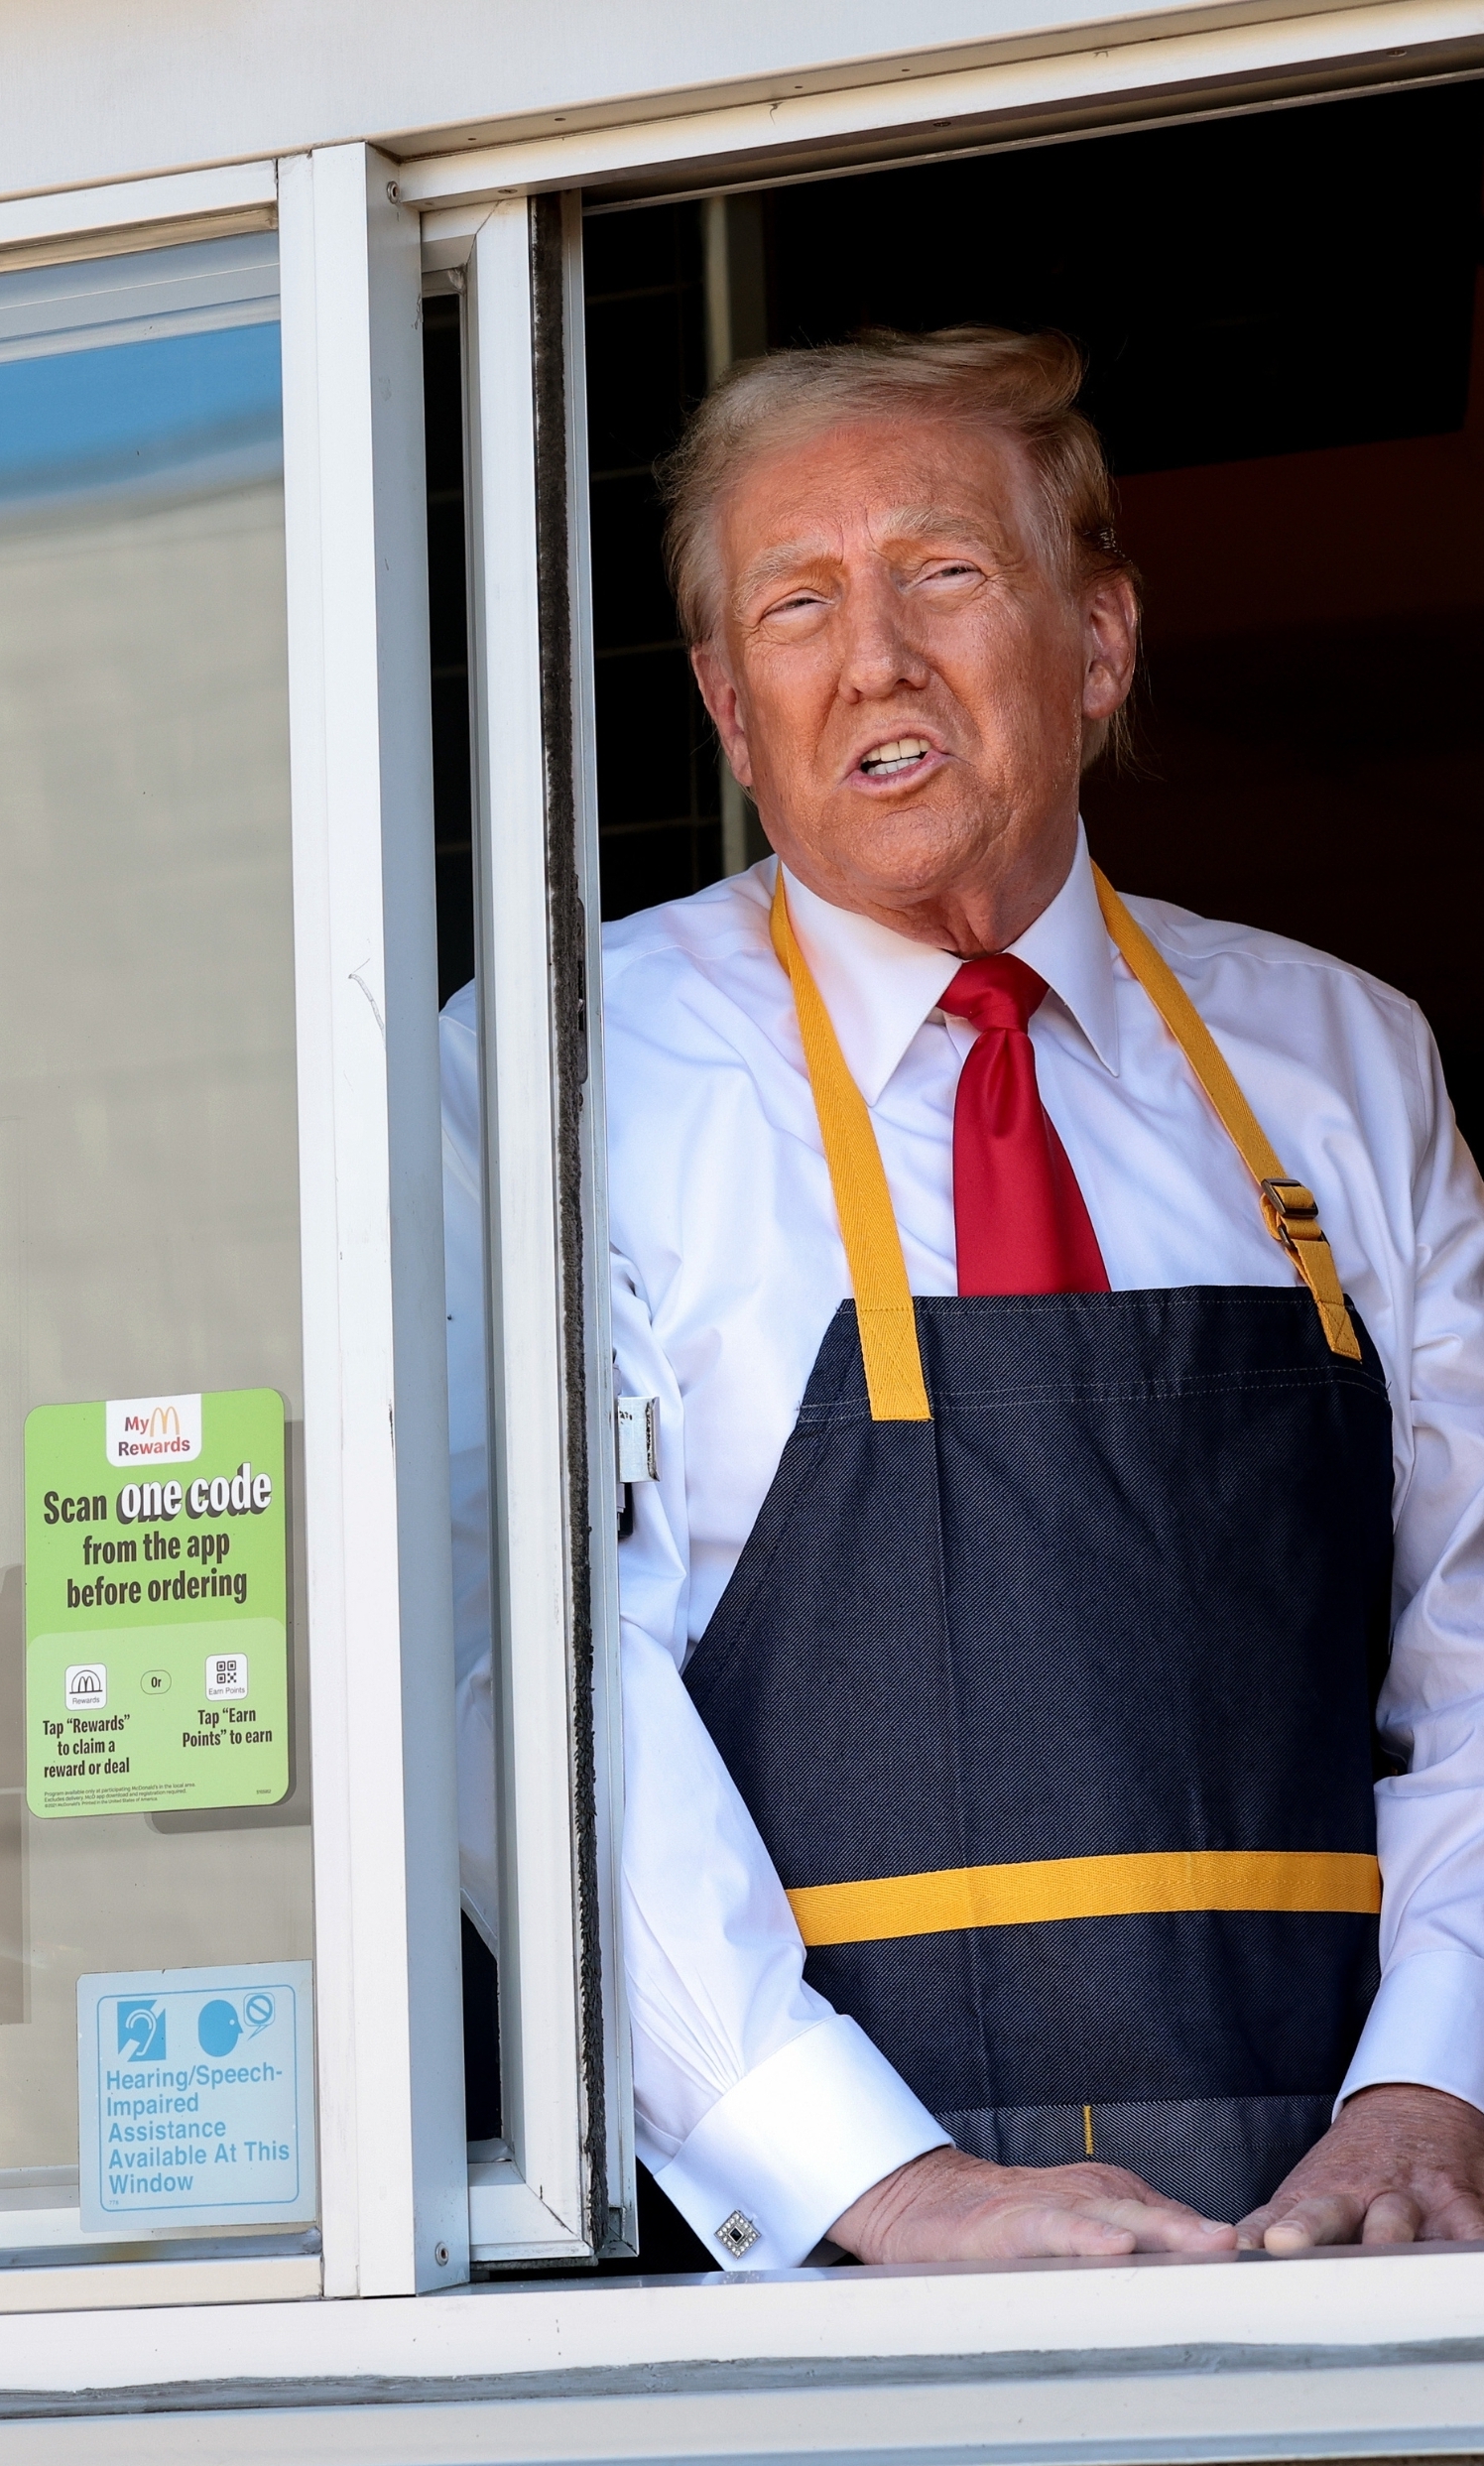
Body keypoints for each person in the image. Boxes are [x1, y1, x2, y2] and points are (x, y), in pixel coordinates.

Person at [448, 325, 1484, 2276]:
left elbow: (1474, 1631)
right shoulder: (552, 1077)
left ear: (1096, 646)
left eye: (942, 572)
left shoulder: (1344, 1058)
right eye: (799, 603)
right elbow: (518, 1676)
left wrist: (1435, 2086)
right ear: (732, 711)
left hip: (1350, 2253)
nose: (876, 658)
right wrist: (874, 2182)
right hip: (809, 2286)